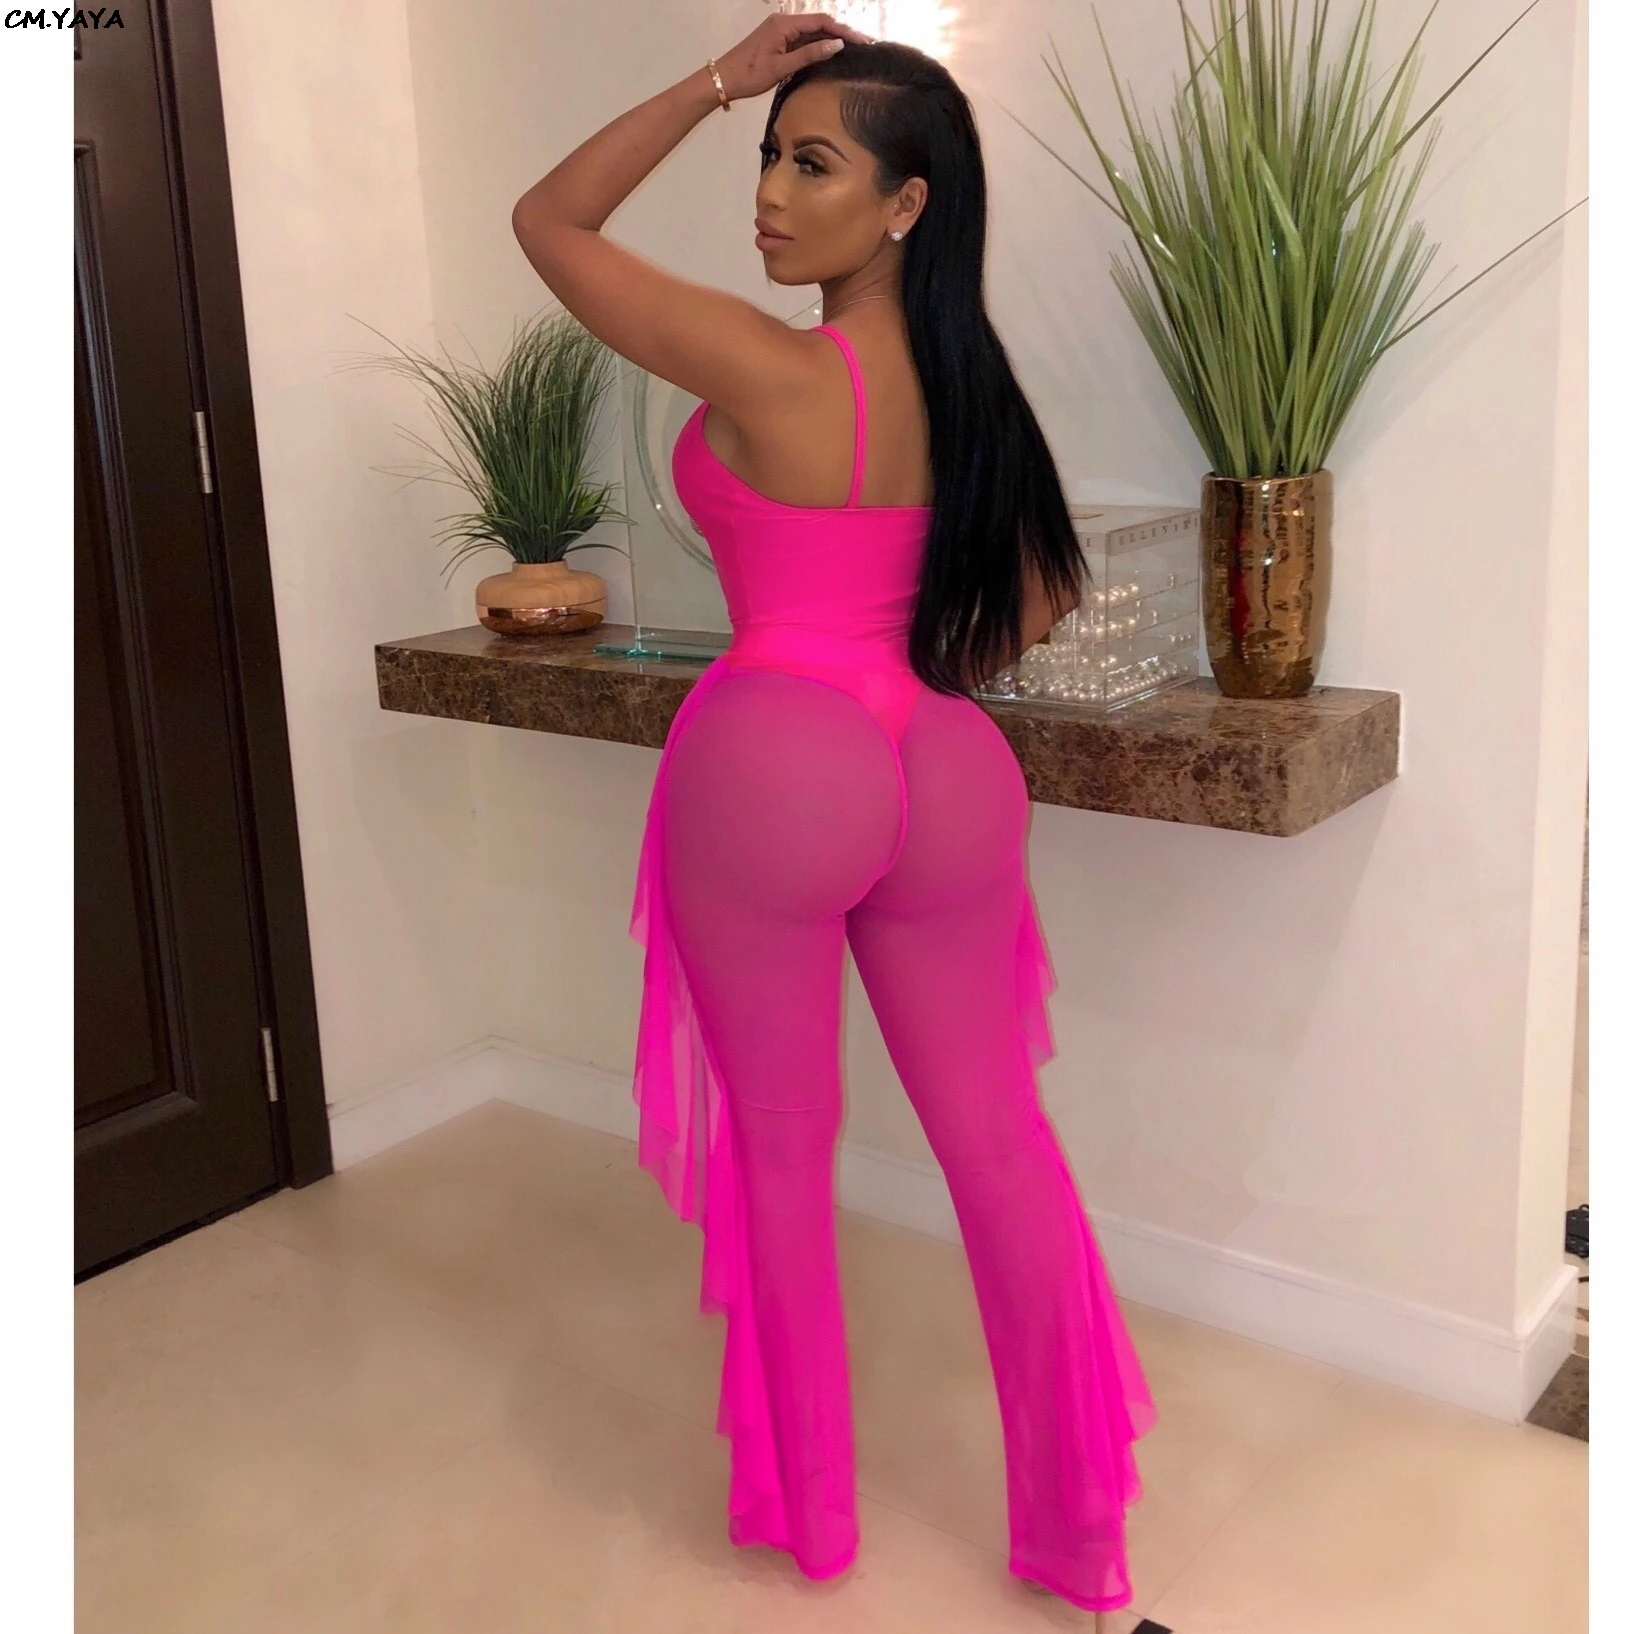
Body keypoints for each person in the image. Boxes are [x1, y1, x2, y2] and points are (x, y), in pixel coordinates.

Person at [512, 12, 1154, 1619]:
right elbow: (1034, 594)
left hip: (778, 762)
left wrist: (709, 78)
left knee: (784, 1158)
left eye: (812, 163)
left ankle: (815, 1515)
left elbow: (548, 222)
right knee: (999, 1142)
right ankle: (1074, 1536)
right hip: (943, 764)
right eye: (763, 155)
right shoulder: (974, 391)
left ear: (905, 203)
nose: (769, 193)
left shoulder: (764, 363)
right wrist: (905, 666)